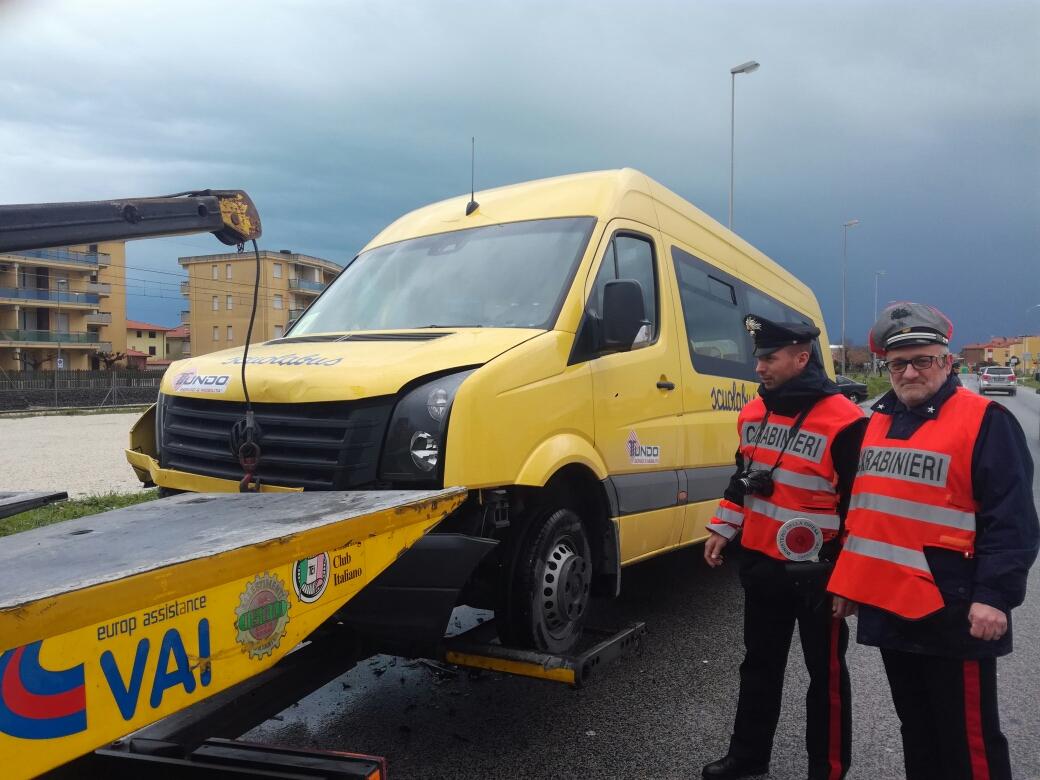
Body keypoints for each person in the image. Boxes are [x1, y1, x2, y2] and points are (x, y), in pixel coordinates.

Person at [828, 302, 1039, 780]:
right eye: (898, 363)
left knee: (968, 742)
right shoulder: (877, 422)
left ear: (948, 363)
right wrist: (849, 584)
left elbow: (1013, 521)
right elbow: (867, 514)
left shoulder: (986, 420)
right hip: (890, 607)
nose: (909, 371)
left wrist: (994, 596)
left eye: (923, 359)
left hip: (953, 610)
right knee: (917, 731)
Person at [702, 315, 866, 780]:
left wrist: (849, 578)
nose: (759, 367)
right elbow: (743, 482)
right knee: (758, 667)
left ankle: (828, 770)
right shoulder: (753, 413)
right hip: (762, 565)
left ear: (800, 357)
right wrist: (722, 528)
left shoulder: (847, 421)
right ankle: (748, 757)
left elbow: (860, 507)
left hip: (820, 574)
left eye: (769, 358)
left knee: (827, 677)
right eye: (758, 357)